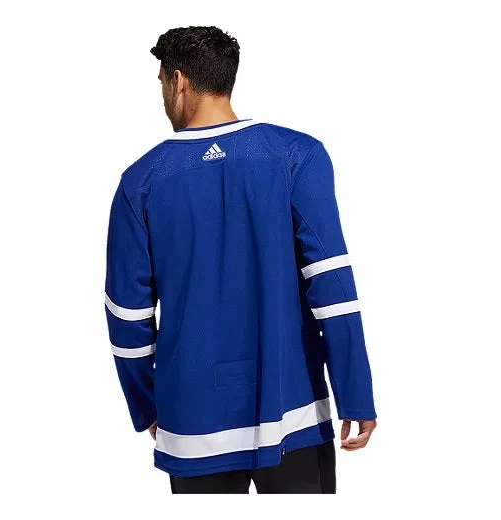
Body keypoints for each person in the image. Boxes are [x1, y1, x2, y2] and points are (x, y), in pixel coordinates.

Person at [104, 25, 378, 494]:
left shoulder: (141, 181)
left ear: (178, 81)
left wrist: (146, 405)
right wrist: (355, 392)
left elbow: (127, 316)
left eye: (162, 82)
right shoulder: (297, 156)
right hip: (292, 411)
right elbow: (332, 287)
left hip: (192, 421)